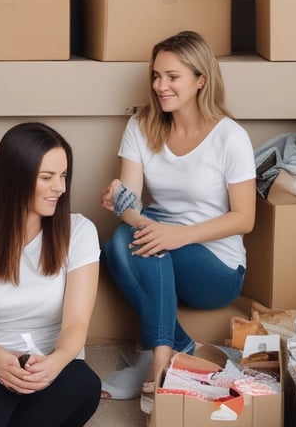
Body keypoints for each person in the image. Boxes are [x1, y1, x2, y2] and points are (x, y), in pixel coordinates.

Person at [98, 31, 256, 403]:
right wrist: (121, 202)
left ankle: (155, 364)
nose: (160, 86)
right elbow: (132, 204)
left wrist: (178, 235)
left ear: (201, 80)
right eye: (156, 76)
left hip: (215, 266)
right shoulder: (141, 125)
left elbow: (244, 219)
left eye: (172, 77)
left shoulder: (230, 137)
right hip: (161, 245)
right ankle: (169, 352)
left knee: (146, 245)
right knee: (118, 242)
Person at [0, 122, 102, 427]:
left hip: (52, 365)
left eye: (63, 176)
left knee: (85, 385)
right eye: (47, 177)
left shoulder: (80, 232)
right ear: (15, 178)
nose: (61, 188)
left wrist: (54, 363)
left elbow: (77, 324)